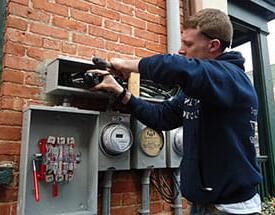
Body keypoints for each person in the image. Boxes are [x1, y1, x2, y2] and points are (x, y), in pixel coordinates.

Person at [91, 8, 262, 215]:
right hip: (202, 204)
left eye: (188, 44)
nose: (181, 50)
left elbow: (177, 67)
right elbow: (162, 117)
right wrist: (120, 93)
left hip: (231, 209)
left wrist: (128, 65)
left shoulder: (231, 78)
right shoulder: (203, 87)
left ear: (213, 45)